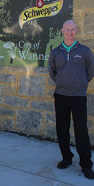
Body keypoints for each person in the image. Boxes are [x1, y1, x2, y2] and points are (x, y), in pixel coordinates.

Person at [48, 19, 94, 179]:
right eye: (67, 29)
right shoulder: (55, 52)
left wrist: (79, 84)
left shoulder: (85, 51)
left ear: (76, 31)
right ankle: (66, 158)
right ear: (62, 30)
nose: (69, 32)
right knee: (62, 129)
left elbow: (90, 71)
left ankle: (86, 165)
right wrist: (63, 83)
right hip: (61, 95)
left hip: (78, 97)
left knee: (81, 131)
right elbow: (52, 72)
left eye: (72, 29)